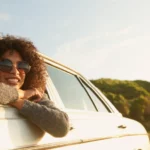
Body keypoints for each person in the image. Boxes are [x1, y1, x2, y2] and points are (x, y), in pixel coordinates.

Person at [0, 34, 70, 137]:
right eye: (5, 64)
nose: (15, 71)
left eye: (22, 66)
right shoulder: (29, 93)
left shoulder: (35, 97)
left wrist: (17, 101)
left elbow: (62, 127)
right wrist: (23, 94)